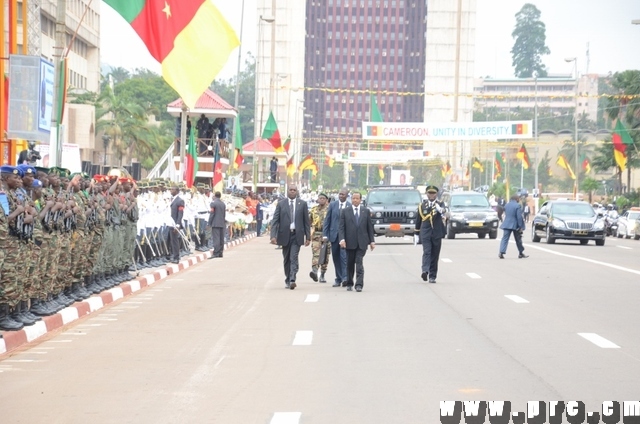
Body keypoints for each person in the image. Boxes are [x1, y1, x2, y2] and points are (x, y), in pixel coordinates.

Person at [270, 184, 311, 290]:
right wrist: (273, 236)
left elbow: (307, 222)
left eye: (294, 190)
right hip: (284, 235)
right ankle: (288, 279)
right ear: (287, 191)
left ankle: (293, 278)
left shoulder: (302, 204)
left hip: (297, 235)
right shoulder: (281, 204)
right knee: (286, 259)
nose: (292, 191)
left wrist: (308, 237)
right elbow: (275, 221)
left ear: (297, 192)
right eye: (291, 190)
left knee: (294, 257)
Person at [339, 192, 375, 292]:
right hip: (349, 242)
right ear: (351, 199)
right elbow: (341, 227)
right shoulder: (345, 211)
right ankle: (350, 283)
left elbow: (369, 227)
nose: (355, 200)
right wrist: (342, 239)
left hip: (362, 242)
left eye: (357, 198)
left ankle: (359, 284)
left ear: (360, 200)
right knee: (350, 264)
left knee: (359, 262)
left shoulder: (365, 211)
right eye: (353, 198)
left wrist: (372, 241)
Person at [415, 185, 446, 283]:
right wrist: (416, 234)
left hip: (437, 232)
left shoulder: (441, 204)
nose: (431, 195)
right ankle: (425, 271)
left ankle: (432, 276)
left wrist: (439, 209)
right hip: (426, 233)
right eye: (430, 193)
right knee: (427, 252)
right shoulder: (422, 206)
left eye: (433, 193)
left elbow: (445, 213)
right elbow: (418, 220)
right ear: (426, 194)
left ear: (436, 194)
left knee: (435, 254)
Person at [323, 187, 350, 287]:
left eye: (343, 194)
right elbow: (327, 220)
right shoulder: (333, 205)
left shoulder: (349, 206)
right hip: (333, 236)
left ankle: (345, 278)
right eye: (340, 194)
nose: (341, 196)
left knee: (344, 257)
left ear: (347, 195)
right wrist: (325, 235)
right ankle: (338, 278)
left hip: (345, 237)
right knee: (336, 257)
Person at [309, 192, 330, 282]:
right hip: (316, 234)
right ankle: (314, 271)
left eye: (323, 198)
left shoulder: (329, 210)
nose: (321, 200)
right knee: (316, 254)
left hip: (326, 235)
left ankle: (322, 274)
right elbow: (309, 222)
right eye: (320, 198)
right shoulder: (313, 210)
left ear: (326, 200)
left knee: (325, 255)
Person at [499, 194, 528, 259]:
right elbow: (519, 217)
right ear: (517, 199)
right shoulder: (517, 205)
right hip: (515, 224)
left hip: (506, 224)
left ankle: (501, 252)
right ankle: (521, 253)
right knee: (518, 239)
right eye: (518, 199)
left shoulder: (507, 205)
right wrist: (520, 226)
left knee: (505, 238)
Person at [169, 185, 185, 264]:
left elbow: (180, 214)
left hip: (175, 224)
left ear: (177, 191)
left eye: (172, 189)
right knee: (172, 241)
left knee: (175, 241)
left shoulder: (180, 200)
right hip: (170, 223)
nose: (171, 190)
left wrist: (178, 225)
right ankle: (173, 255)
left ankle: (176, 257)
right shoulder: (172, 199)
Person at [208, 191, 226, 258]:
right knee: (221, 238)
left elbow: (212, 214)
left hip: (215, 223)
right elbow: (224, 214)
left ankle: (215, 253)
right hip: (222, 223)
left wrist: (209, 223)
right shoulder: (223, 204)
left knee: (216, 238)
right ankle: (220, 253)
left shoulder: (213, 203)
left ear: (215, 196)